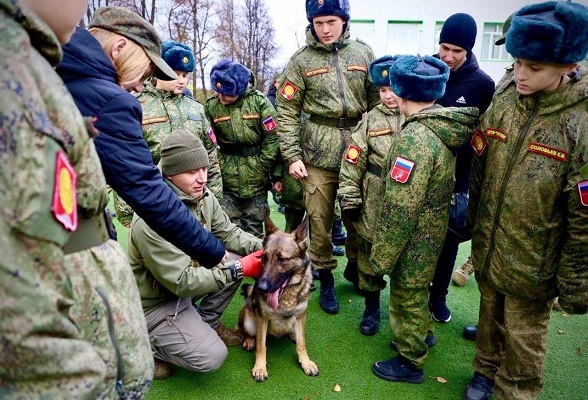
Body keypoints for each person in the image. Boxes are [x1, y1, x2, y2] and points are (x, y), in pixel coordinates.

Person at [0, 0, 152, 397]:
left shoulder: (35, 63)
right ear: (119, 50)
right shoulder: (14, 72)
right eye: (142, 72)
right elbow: (20, 304)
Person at [463, 2, 588, 399]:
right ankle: (485, 370)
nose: (520, 74)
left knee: (523, 336)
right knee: (489, 312)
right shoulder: (505, 93)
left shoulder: (580, 122)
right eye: (516, 62)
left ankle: (512, 390)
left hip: (536, 261)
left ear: (567, 66)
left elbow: (584, 216)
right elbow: (482, 156)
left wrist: (577, 282)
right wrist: (472, 215)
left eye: (534, 67)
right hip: (491, 241)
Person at [56, 6, 226, 268]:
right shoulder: (111, 100)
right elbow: (145, 188)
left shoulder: (50, 62)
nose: (139, 85)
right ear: (119, 47)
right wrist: (211, 249)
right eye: (144, 73)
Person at [370, 55, 479, 384]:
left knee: (407, 292)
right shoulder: (439, 126)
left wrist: (382, 254)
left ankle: (409, 360)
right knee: (420, 288)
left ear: (402, 94)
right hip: (431, 231)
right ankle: (424, 333)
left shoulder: (415, 139)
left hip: (413, 235)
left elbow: (401, 206)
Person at [128, 129, 264, 379]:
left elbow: (229, 233)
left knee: (233, 256)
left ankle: (207, 322)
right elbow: (181, 281)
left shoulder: (201, 195)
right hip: (156, 304)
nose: (202, 177)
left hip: (184, 289)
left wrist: (268, 248)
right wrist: (239, 269)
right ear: (170, 172)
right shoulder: (150, 218)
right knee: (211, 356)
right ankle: (143, 343)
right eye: (192, 171)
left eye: (204, 169)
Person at [277, 0, 379, 314]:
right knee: (319, 221)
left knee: (357, 216)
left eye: (331, 22)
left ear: (344, 21)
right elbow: (286, 111)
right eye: (319, 23)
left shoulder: (363, 53)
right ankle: (326, 278)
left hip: (357, 150)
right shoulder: (301, 60)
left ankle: (354, 266)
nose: (325, 29)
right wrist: (292, 155)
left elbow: (378, 103)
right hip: (316, 154)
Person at [427, 12, 495, 324]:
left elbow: (485, 136)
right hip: (424, 171)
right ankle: (414, 295)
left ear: (468, 51)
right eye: (445, 47)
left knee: (450, 239)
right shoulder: (425, 71)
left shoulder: (482, 85)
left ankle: (438, 298)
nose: (449, 57)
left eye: (457, 51)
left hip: (458, 176)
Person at [113, 40, 223, 226]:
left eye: (185, 75)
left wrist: (215, 197)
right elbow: (125, 159)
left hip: (193, 201)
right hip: (153, 200)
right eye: (175, 74)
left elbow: (210, 155)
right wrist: (127, 212)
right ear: (159, 71)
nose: (181, 80)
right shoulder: (138, 105)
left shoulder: (196, 109)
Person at [339, 55, 404, 336]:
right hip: (373, 200)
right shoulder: (369, 122)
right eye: (382, 90)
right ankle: (371, 308)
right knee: (369, 259)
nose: (388, 96)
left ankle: (407, 318)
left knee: (405, 263)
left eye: (393, 88)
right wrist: (351, 199)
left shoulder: (420, 115)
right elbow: (352, 162)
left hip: (406, 204)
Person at [205, 59, 280, 239]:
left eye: (226, 93)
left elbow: (273, 138)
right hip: (227, 178)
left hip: (257, 178)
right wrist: (219, 164)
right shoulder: (211, 106)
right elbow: (207, 142)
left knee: (254, 227)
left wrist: (262, 165)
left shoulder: (259, 103)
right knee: (229, 228)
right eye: (218, 91)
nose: (220, 96)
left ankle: (255, 266)